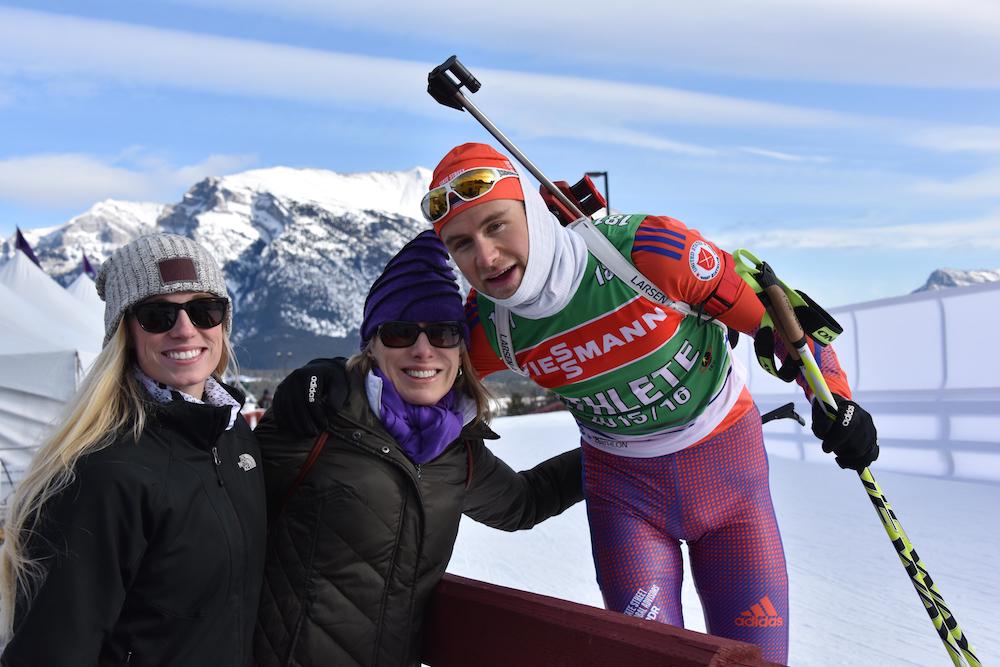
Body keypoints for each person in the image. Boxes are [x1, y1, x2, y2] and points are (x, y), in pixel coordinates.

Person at [416, 143, 879, 663]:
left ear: (534, 209)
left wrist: (836, 399)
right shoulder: (487, 325)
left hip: (730, 480)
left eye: (496, 225)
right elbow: (412, 389)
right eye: (460, 243)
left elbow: (779, 318)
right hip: (625, 498)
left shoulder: (643, 252)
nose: (484, 257)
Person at [253, 231, 584, 667]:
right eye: (400, 332)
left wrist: (616, 449)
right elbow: (213, 508)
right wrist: (320, 372)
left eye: (444, 333)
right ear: (371, 344)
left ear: (461, 349)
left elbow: (524, 503)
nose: (423, 349)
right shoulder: (315, 421)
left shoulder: (457, 450)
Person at [0, 234, 266, 667]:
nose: (185, 328)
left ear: (222, 323)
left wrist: (324, 388)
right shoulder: (101, 471)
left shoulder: (235, 438)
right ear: (124, 331)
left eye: (204, 309)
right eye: (157, 314)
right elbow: (49, 651)